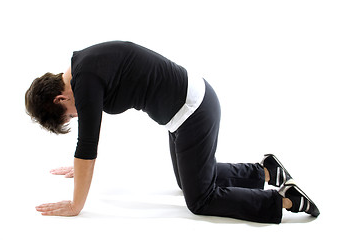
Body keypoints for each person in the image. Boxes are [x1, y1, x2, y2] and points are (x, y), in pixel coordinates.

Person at [25, 41, 319, 224]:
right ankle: (266, 172)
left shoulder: (85, 82)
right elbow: (87, 148)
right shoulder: (82, 67)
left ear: (59, 99)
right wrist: (80, 168)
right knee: (187, 180)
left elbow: (87, 145)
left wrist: (76, 205)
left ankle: (285, 200)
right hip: (187, 112)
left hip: (194, 111)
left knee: (200, 199)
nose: (76, 116)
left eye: (69, 115)